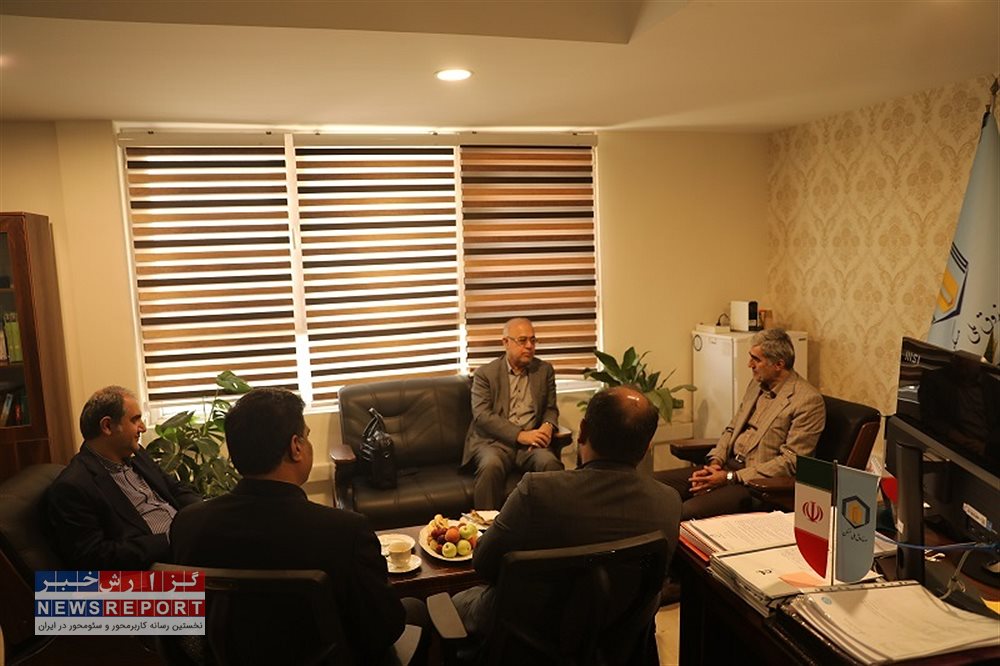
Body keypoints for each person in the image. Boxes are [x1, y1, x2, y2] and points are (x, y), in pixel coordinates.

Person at [170, 388, 420, 665]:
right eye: (307, 436)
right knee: (415, 610)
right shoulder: (345, 531)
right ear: (296, 447)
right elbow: (384, 629)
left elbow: (175, 626)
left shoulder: (187, 524)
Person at [452, 386, 682, 636]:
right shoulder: (668, 503)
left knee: (447, 605)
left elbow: (484, 564)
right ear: (647, 446)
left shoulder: (536, 492)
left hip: (526, 635)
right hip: (613, 640)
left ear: (582, 431)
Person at [659, 328, 825, 519]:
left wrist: (731, 477)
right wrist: (715, 463)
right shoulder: (756, 385)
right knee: (654, 488)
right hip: (725, 468)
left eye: (756, 359)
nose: (749, 364)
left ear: (779, 364)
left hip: (755, 484)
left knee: (686, 512)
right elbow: (731, 429)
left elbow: (791, 462)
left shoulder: (807, 401)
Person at [47, 386, 201, 570]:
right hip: (161, 565)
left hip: (191, 540)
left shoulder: (136, 454)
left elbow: (174, 488)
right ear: (107, 426)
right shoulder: (73, 487)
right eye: (135, 420)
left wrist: (205, 513)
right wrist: (171, 540)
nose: (142, 428)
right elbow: (94, 557)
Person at [462, 317, 564, 509]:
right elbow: (482, 416)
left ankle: (554, 523)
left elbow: (550, 408)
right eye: (522, 340)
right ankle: (486, 525)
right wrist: (520, 435)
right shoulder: (485, 374)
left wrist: (548, 426)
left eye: (533, 340)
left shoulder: (544, 371)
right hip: (494, 442)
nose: (529, 346)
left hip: (531, 446)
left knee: (550, 463)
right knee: (491, 465)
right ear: (505, 343)